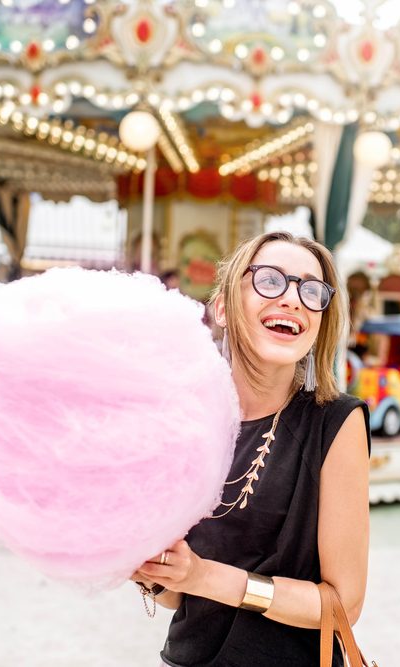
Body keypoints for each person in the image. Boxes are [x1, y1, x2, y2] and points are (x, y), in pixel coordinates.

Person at [130, 232, 371, 667]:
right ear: (222, 307)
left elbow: (343, 605)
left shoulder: (335, 424)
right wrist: (150, 570)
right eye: (270, 281)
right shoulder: (186, 421)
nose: (294, 299)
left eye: (311, 290)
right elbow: (178, 597)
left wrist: (205, 575)